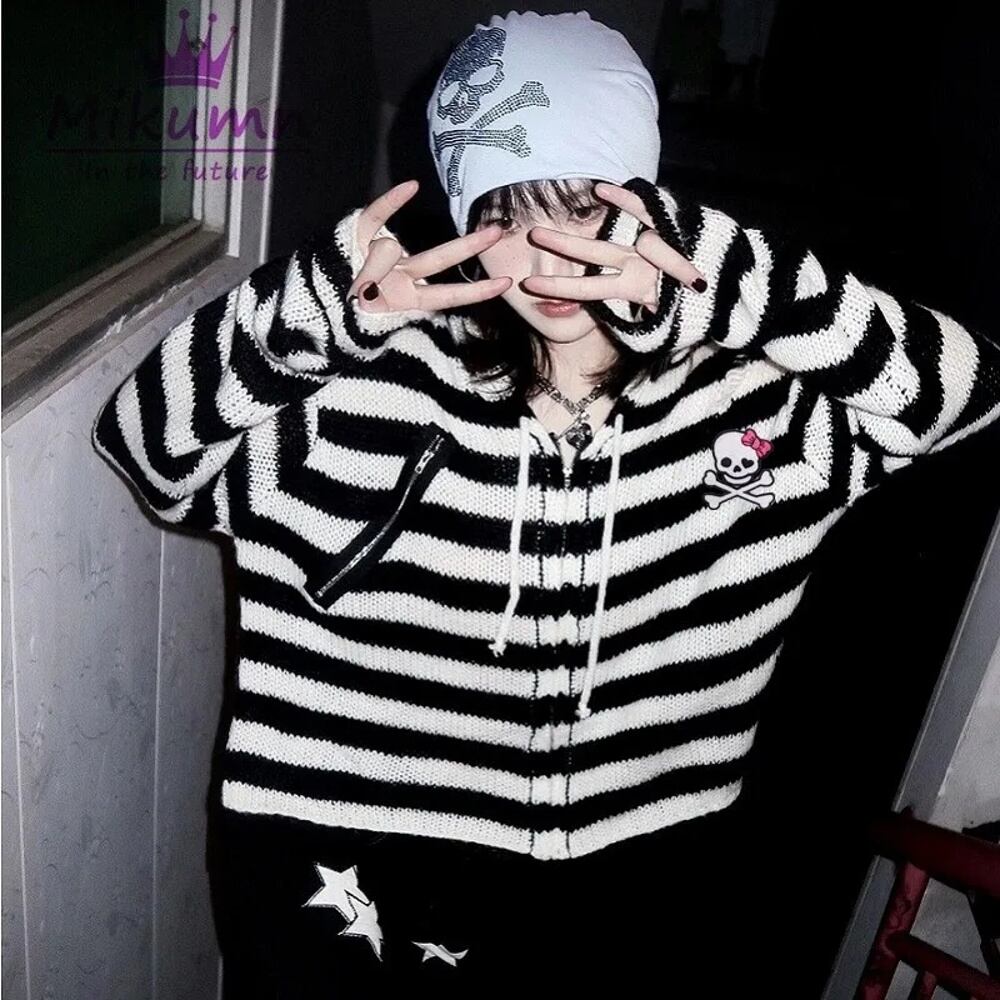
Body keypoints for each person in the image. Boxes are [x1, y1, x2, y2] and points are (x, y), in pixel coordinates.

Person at [91, 10, 1000, 998]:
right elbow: (147, 449)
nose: (548, 261)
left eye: (583, 209)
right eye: (507, 218)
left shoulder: (753, 402)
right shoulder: (365, 385)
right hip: (355, 869)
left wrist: (735, 281)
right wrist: (311, 308)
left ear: (651, 204)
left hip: (636, 870)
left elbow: (968, 391)